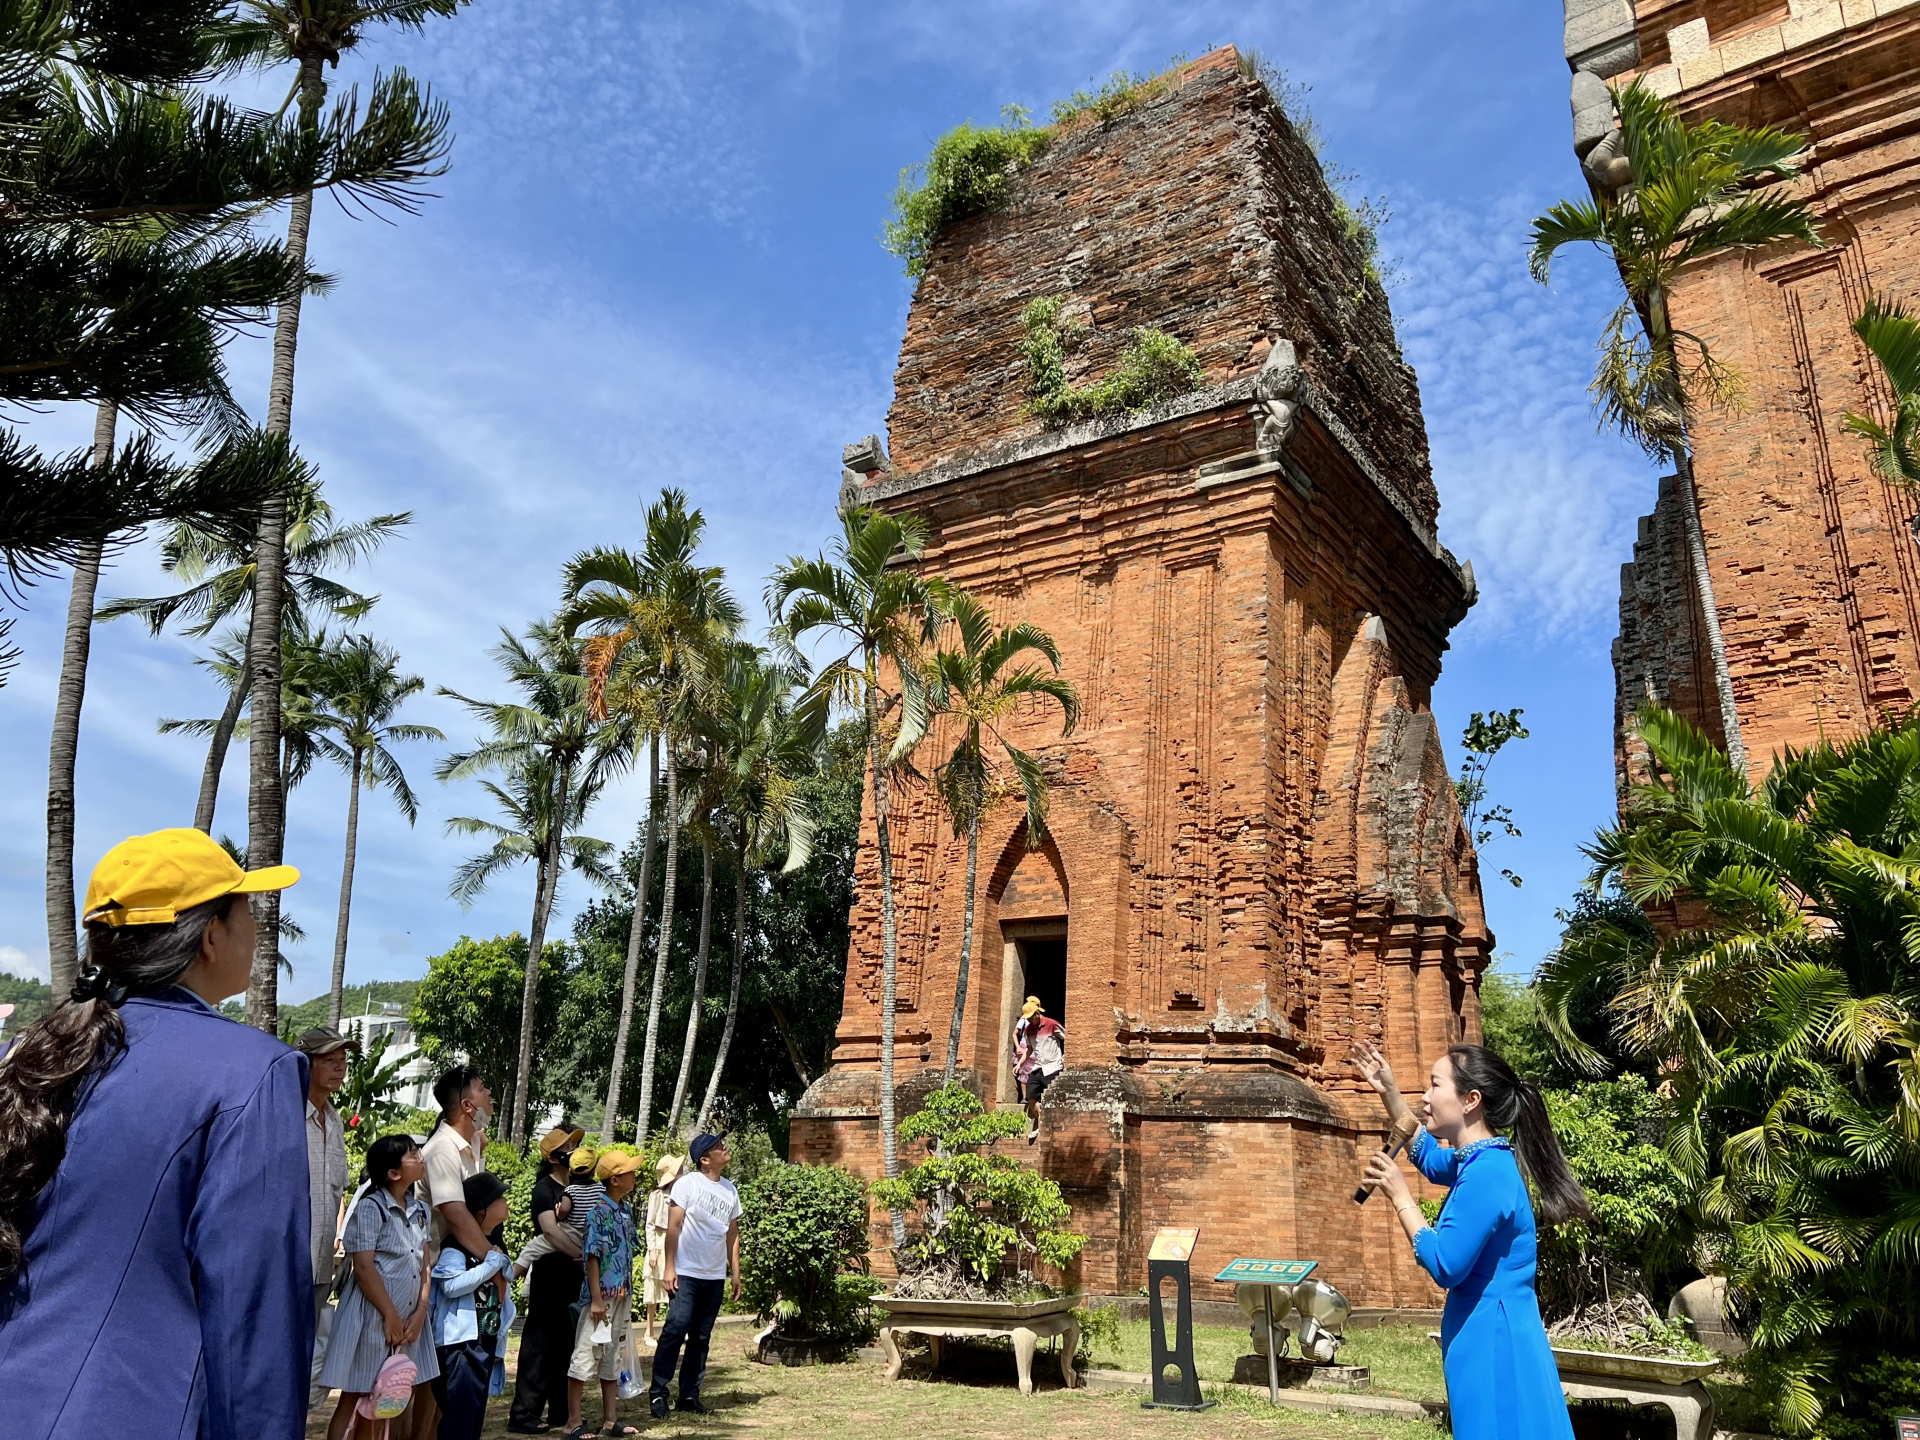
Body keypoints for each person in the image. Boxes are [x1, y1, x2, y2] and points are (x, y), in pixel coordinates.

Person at [0, 828, 308, 1439]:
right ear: (211, 935)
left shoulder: (31, 1056)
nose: (258, 925)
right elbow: (253, 1317)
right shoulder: (252, 1070)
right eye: (247, 906)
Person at [1352, 1039, 1591, 1440]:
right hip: (1485, 1330)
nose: (1425, 1096)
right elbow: (1429, 1157)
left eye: (1435, 1085)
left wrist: (1401, 1197)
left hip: (1494, 1339)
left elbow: (1446, 1264)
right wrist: (1389, 1092)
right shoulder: (1479, 1159)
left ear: (1470, 1100)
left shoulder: (1487, 1173)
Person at [320, 1132, 439, 1440]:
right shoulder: (372, 1208)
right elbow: (363, 1266)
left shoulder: (421, 1211)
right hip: (371, 1318)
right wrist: (389, 1314)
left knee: (389, 1394)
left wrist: (421, 1310)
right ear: (394, 1172)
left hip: (410, 1319)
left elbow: (425, 1265)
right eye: (413, 1154)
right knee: (356, 1395)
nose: (421, 1158)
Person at [420, 1064, 500, 1440]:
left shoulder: (472, 1147)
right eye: (483, 1090)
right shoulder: (441, 1150)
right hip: (440, 1278)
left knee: (456, 1394)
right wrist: (493, 1262)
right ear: (468, 1106)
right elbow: (456, 1214)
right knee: (448, 1384)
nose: (490, 1095)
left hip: (467, 1279)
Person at [649, 1133, 742, 1419]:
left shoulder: (730, 1190)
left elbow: (732, 1233)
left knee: (701, 1337)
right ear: (704, 1159)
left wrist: (735, 1273)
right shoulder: (688, 1184)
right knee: (675, 1330)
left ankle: (689, 1394)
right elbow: (673, 1227)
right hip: (686, 1273)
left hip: (714, 1276)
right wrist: (669, 1267)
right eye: (717, 1147)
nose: (724, 1148)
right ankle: (658, 1394)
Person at [509, 1128, 586, 1434]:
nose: (575, 1149)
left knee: (567, 1344)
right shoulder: (544, 1189)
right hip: (549, 1274)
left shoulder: (580, 1187)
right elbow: (550, 1232)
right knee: (538, 1345)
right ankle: (524, 1413)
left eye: (576, 1145)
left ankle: (562, 1412)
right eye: (569, 1147)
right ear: (554, 1158)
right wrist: (580, 1255)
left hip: (571, 1277)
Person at [299, 1024, 359, 1414]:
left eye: (343, 1061)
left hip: (321, 1264)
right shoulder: (282, 1114)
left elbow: (338, 1190)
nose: (339, 1069)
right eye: (330, 1061)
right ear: (305, 1064)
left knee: (304, 1357)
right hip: (283, 1262)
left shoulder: (335, 1121)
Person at [431, 1171, 517, 1440]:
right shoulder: (455, 1248)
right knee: (459, 1417)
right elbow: (451, 1285)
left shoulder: (494, 1244)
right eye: (499, 1197)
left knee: (473, 1416)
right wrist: (491, 1264)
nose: (506, 1202)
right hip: (460, 1345)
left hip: (484, 1342)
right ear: (481, 1211)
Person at [566, 1151, 643, 1440]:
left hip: (622, 1294)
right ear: (615, 1179)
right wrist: (596, 1299)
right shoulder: (598, 1212)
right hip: (602, 1298)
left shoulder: (624, 1210)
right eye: (630, 1172)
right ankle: (573, 1421)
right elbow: (592, 1257)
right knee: (585, 1355)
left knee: (613, 1357)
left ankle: (610, 1420)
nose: (634, 1176)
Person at [641, 1152, 686, 1347]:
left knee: (675, 1289)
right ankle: (648, 1332)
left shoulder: (683, 1194)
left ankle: (674, 1330)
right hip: (659, 1242)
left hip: (677, 1242)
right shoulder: (656, 1196)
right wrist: (652, 1249)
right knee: (652, 1290)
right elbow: (650, 1224)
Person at [1019, 999, 1065, 1143]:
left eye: (1031, 1017)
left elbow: (1069, 1039)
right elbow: (1029, 1049)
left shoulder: (1052, 1024)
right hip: (1038, 1067)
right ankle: (1042, 1123)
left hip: (1053, 1067)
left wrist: (1065, 1058)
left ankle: (1042, 1127)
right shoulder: (1028, 1030)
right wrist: (1020, 1063)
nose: (1030, 1021)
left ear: (1037, 1013)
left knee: (1051, 1098)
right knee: (1030, 1097)